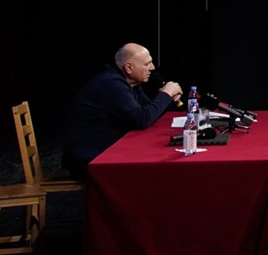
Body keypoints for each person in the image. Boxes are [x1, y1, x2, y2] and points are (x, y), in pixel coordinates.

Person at [63, 43, 183, 178]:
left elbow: (150, 113)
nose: (152, 68)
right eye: (147, 64)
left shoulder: (131, 84)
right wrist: (165, 95)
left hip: (106, 151)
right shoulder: (111, 84)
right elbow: (141, 119)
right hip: (90, 159)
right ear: (129, 68)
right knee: (153, 171)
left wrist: (168, 98)